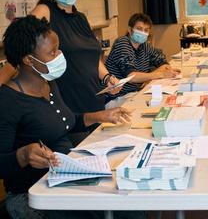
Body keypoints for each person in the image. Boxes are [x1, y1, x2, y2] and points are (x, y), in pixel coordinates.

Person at [0, 15, 131, 219]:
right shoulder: (8, 100)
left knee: (126, 203)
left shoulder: (49, 84)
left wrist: (100, 116)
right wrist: (24, 155)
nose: (60, 55)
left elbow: (65, 122)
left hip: (66, 176)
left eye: (58, 49)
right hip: (31, 194)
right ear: (28, 60)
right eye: (52, 52)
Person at [0, 0, 120, 142]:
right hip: (66, 103)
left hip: (92, 100)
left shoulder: (80, 18)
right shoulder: (45, 11)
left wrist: (107, 78)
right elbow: (21, 46)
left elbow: (92, 58)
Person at [106, 13, 180, 102]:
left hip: (136, 92)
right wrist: (158, 75)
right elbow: (131, 77)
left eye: (146, 30)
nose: (143, 33)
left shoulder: (144, 45)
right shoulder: (122, 43)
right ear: (130, 29)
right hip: (118, 97)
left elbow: (163, 63)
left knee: (165, 100)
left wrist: (148, 77)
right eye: (139, 29)